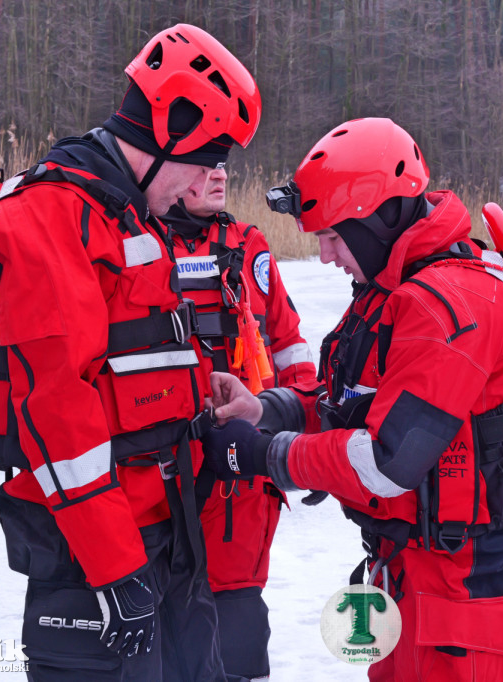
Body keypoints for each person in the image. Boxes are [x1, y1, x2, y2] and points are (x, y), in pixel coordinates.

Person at [197, 117, 503, 681]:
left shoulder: (447, 303)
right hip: (411, 567)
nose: (326, 256)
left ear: (375, 220)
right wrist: (267, 409)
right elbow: (348, 403)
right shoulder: (396, 291)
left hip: (466, 579)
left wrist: (262, 455)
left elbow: (387, 463)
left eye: (332, 237)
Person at [0, 24, 262, 681]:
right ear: (168, 128)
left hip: (168, 539)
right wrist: (116, 572)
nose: (206, 181)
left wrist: (204, 390)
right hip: (94, 556)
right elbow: (57, 417)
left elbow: (135, 361)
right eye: (204, 160)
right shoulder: (52, 221)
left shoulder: (126, 213)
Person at [159, 179, 319, 679]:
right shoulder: (133, 245)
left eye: (222, 163)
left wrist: (305, 434)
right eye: (202, 164)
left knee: (238, 615)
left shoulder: (247, 246)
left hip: (240, 476)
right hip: (162, 470)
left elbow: (288, 345)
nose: (219, 175)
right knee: (164, 617)